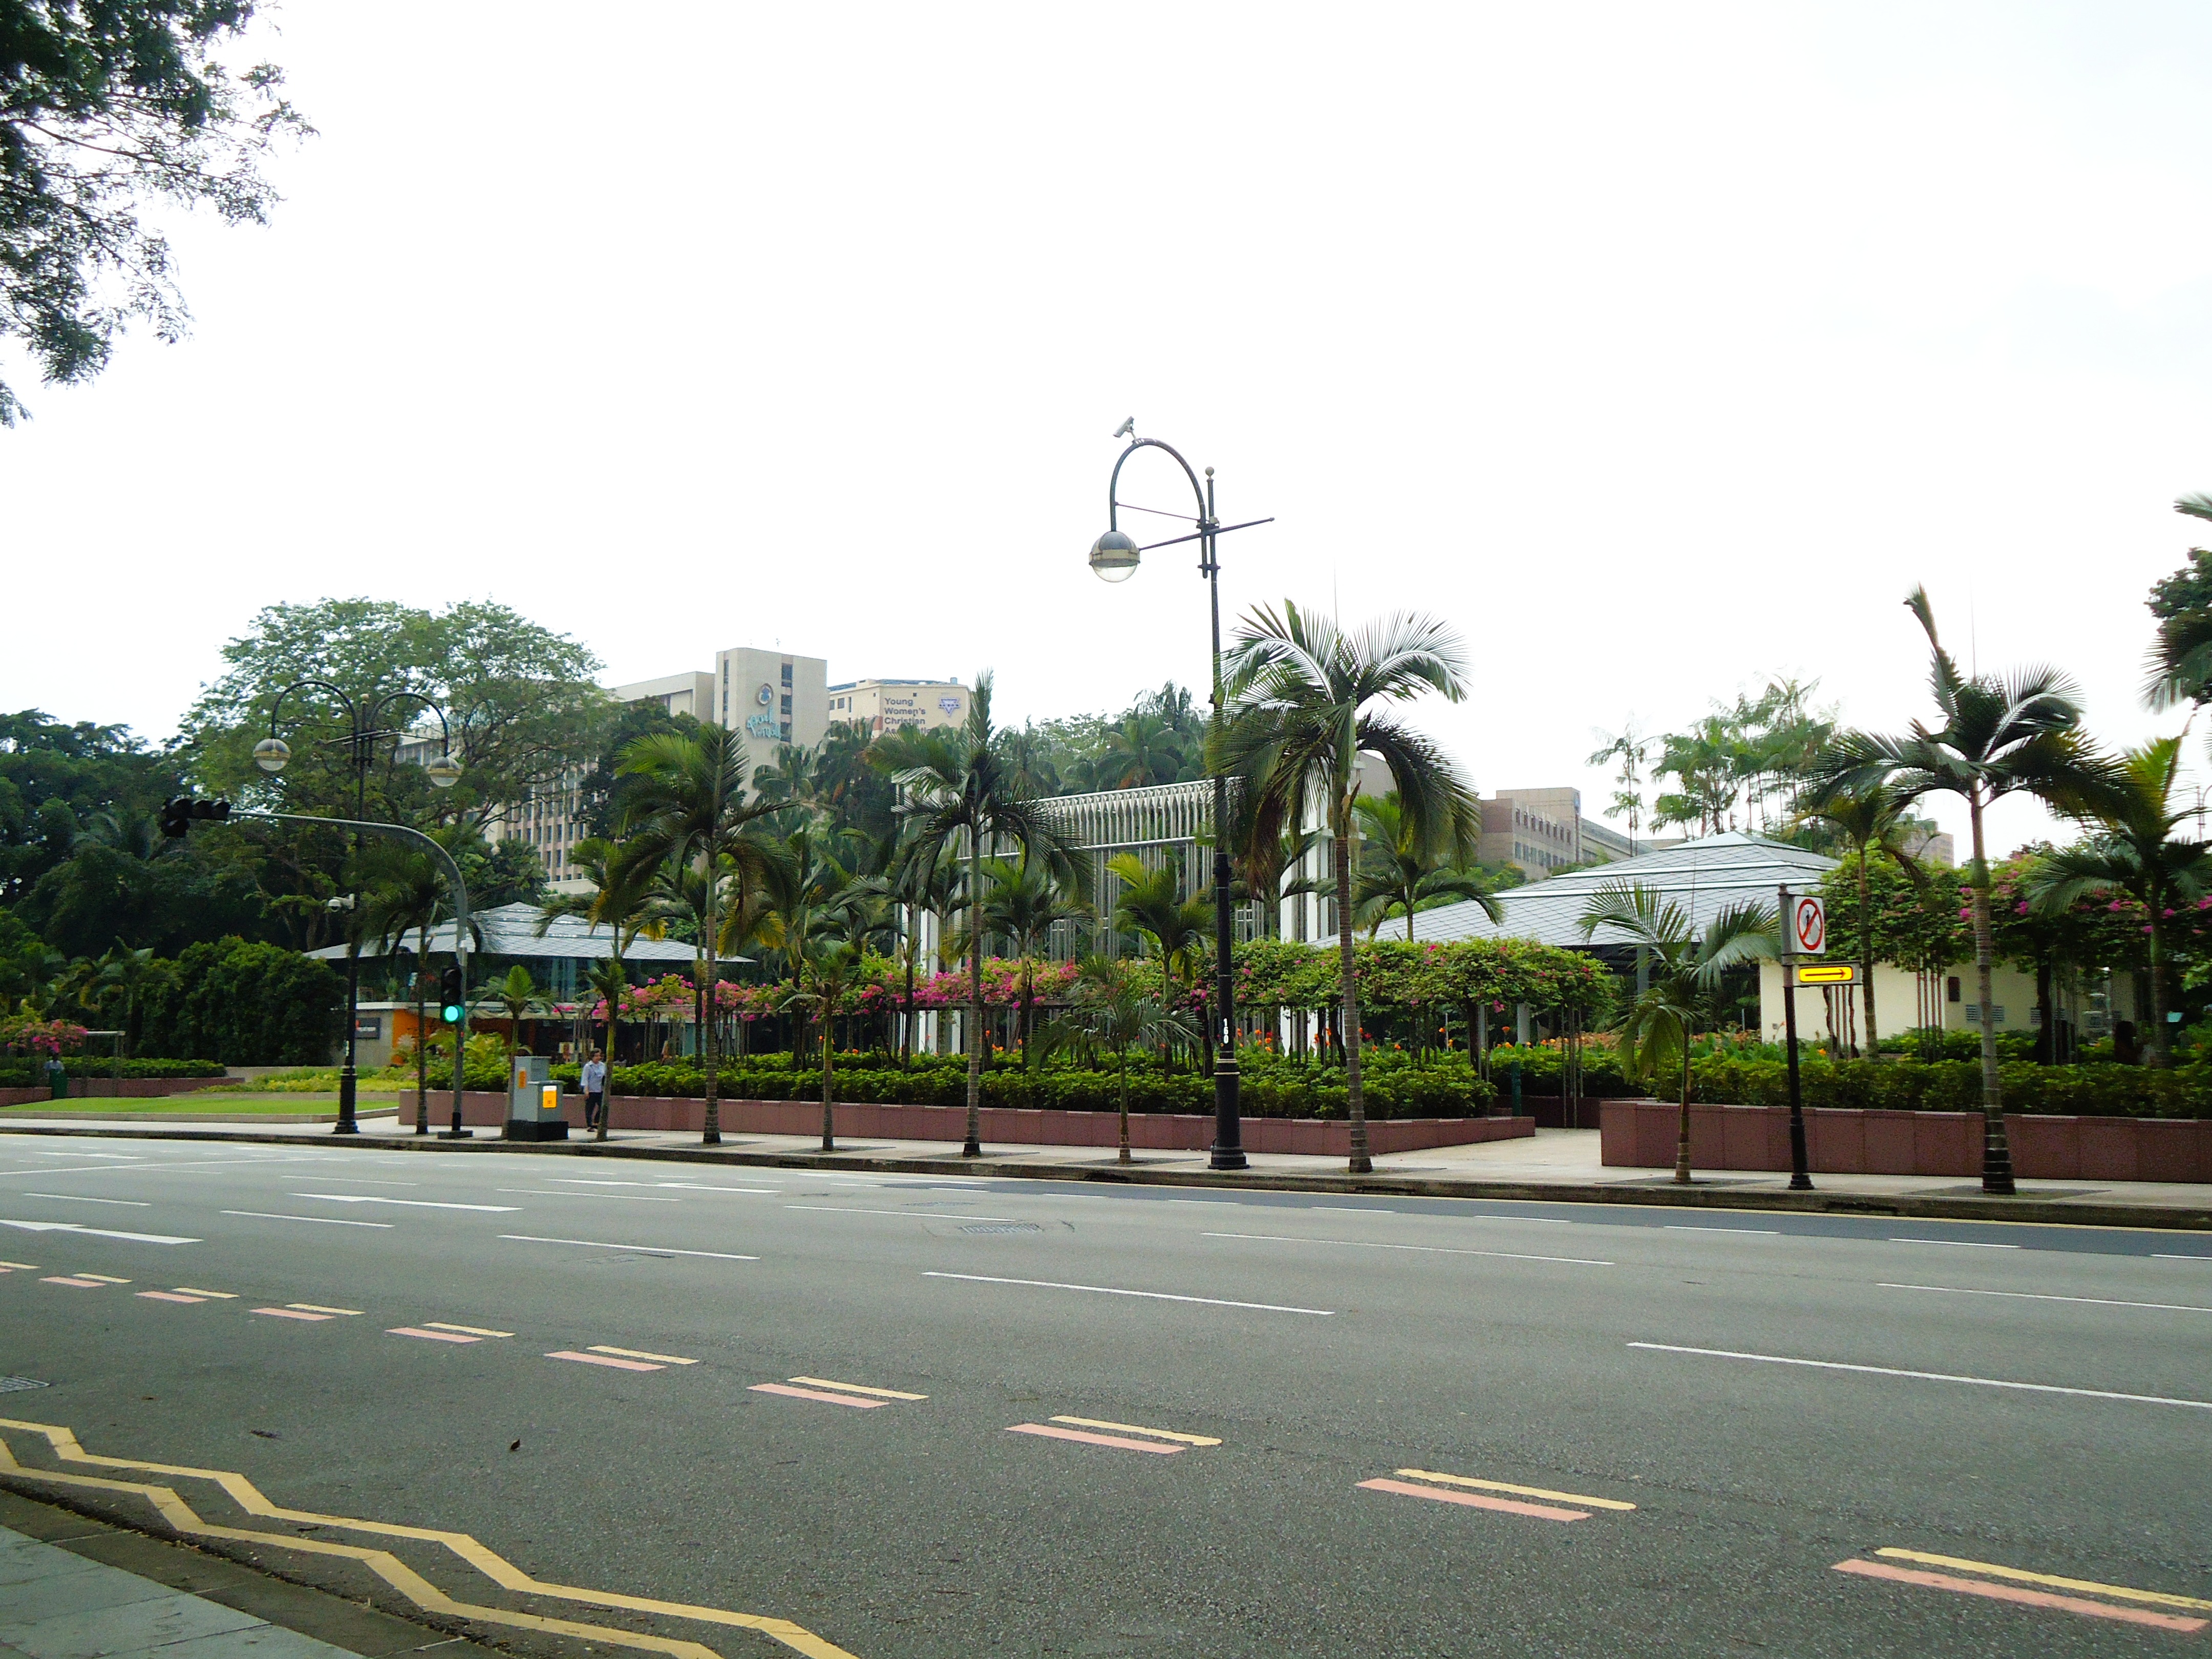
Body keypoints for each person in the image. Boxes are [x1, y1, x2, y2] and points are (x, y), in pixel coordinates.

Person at [581, 1050, 607, 1132]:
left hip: (600, 1089)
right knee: (590, 1108)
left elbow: (604, 1076)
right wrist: (586, 1090)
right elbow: (585, 1079)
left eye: (599, 1056)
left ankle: (596, 1122)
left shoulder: (602, 1065)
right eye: (596, 1056)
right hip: (591, 1090)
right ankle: (590, 1125)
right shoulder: (588, 1066)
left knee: (602, 1106)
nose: (598, 1058)